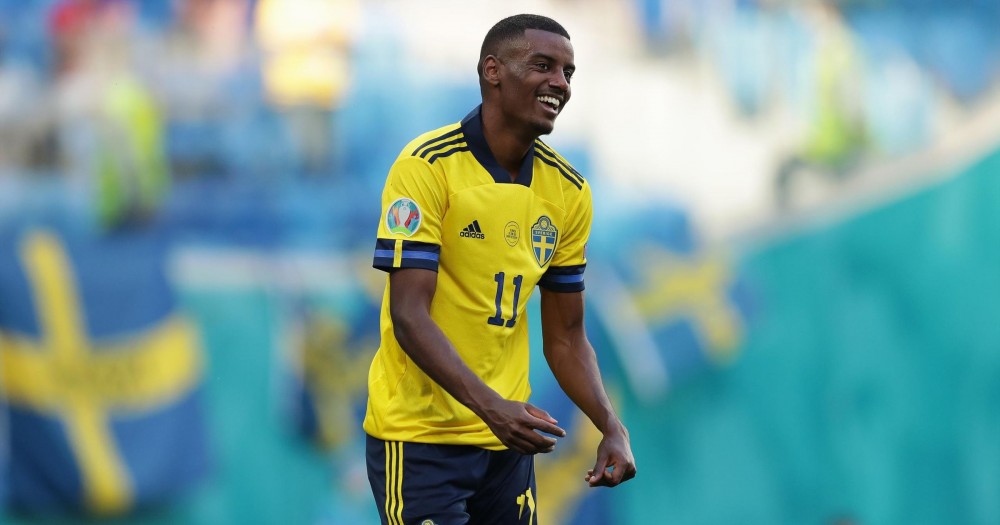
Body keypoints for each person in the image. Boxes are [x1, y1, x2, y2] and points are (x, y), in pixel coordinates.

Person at [364, 14, 636, 524]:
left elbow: (567, 337)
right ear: (493, 71)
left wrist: (610, 425)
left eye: (568, 73)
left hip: (506, 447)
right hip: (420, 439)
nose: (560, 83)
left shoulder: (569, 191)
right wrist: (492, 407)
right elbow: (409, 316)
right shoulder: (426, 167)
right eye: (543, 65)